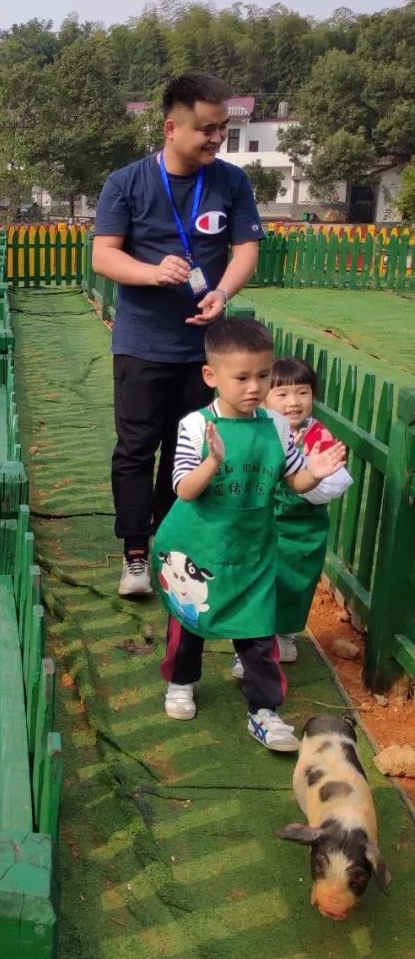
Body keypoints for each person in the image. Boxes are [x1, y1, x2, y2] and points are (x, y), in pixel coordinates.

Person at [92, 73, 265, 599]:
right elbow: (104, 254)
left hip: (203, 347)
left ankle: (172, 544)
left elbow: (246, 252)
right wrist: (151, 272)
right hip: (142, 342)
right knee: (137, 447)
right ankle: (136, 553)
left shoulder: (231, 182)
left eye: (222, 130)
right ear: (171, 127)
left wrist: (223, 293)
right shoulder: (126, 183)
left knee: (186, 448)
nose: (216, 139)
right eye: (206, 130)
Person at [153, 318, 346, 751]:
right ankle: (181, 683)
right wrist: (213, 461)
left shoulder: (276, 426)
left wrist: (315, 472)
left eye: (262, 375)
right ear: (211, 375)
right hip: (198, 548)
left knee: (259, 634)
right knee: (189, 624)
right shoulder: (194, 426)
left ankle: (264, 712)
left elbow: (293, 480)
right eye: (241, 378)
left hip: (253, 550)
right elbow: (183, 488)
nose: (254, 387)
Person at [229, 356, 352, 676]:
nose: (293, 402)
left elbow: (335, 484)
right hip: (260, 526)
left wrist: (311, 476)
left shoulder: (318, 436)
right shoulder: (255, 430)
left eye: (303, 392)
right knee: (257, 584)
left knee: (295, 583)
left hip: (303, 530)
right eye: (282, 394)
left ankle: (283, 634)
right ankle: (249, 651)